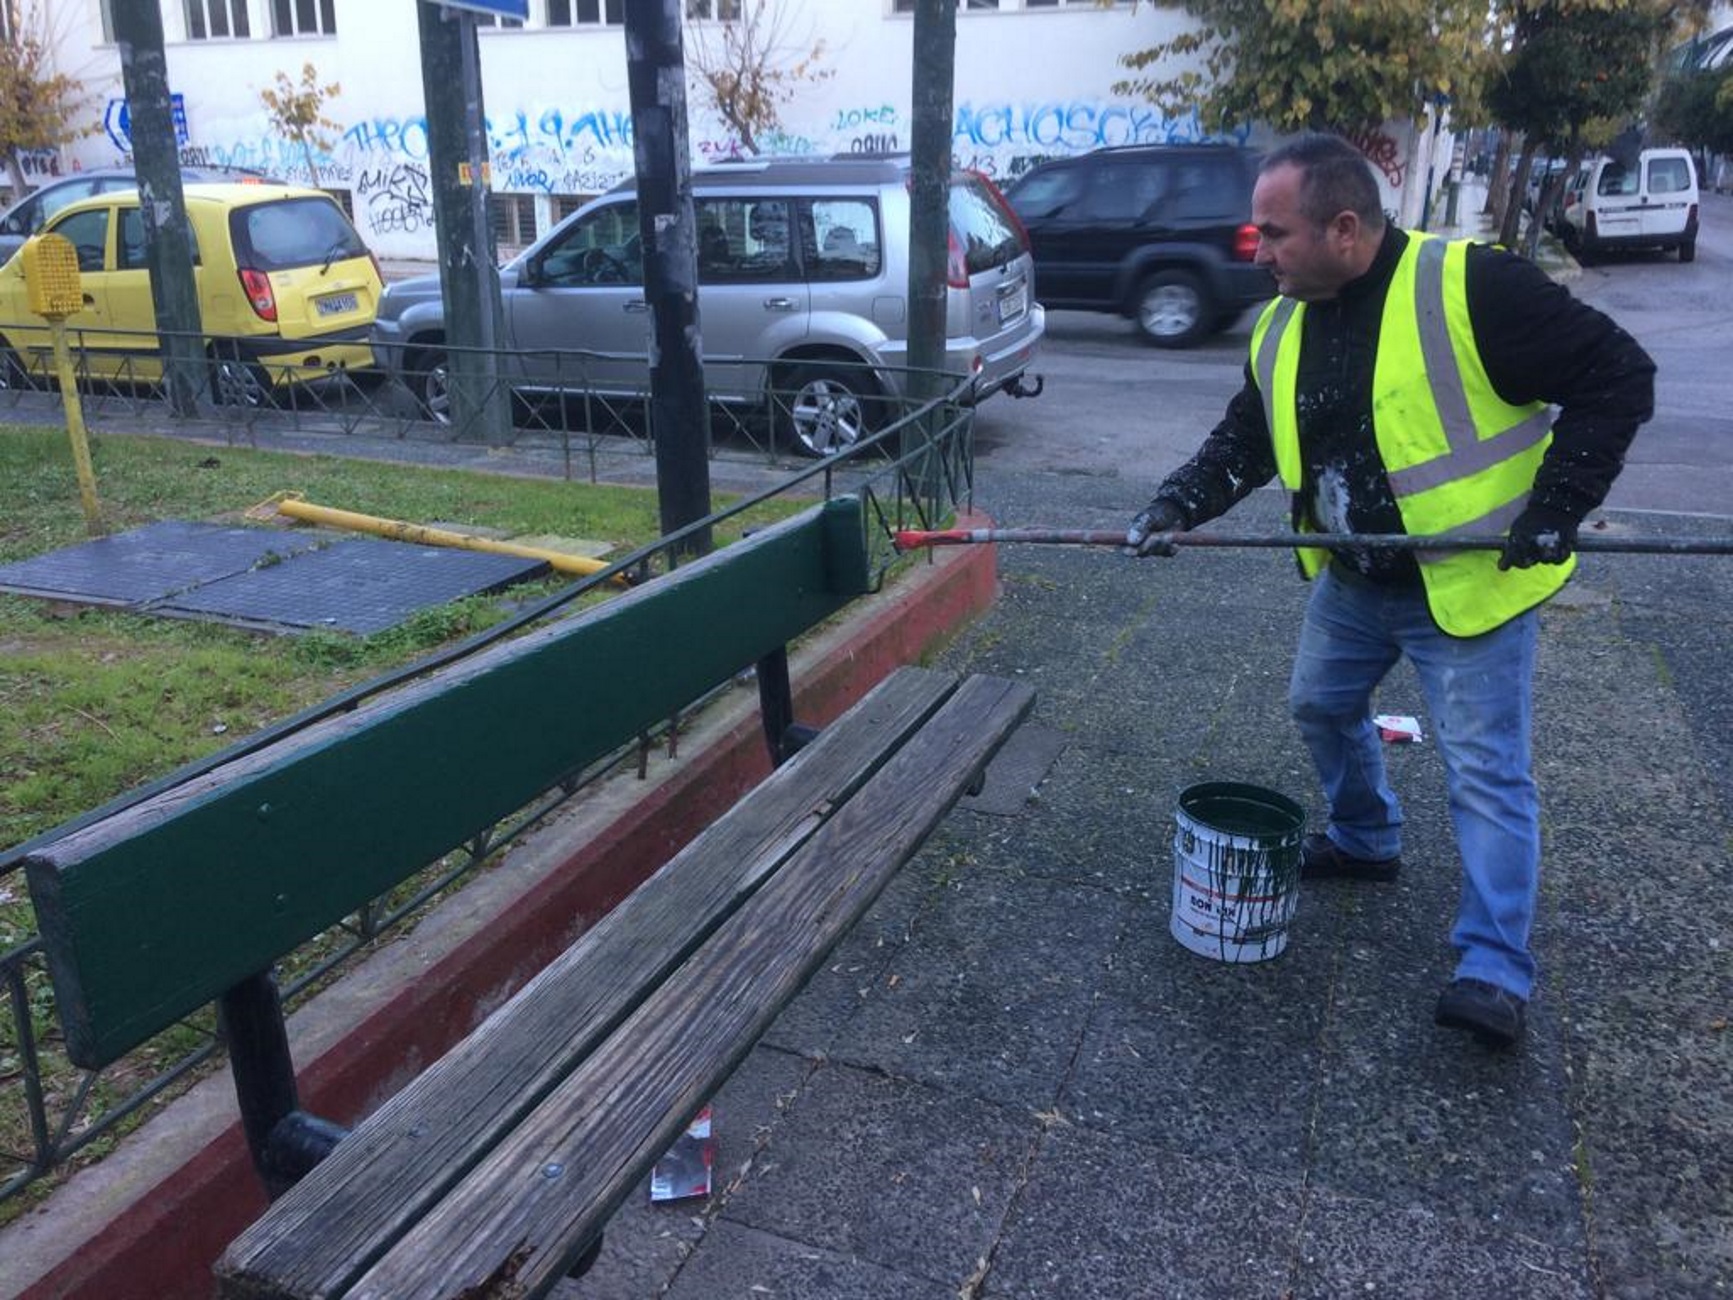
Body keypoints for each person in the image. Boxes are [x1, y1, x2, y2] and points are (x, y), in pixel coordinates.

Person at [1125, 133, 1655, 1049]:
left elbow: (1618, 376)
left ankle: (1493, 969)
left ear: (1342, 227)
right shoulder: (1281, 321)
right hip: (1355, 576)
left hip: (1468, 586)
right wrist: (1177, 503)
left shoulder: (1471, 288)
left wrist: (1558, 504)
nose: (1259, 250)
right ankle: (1367, 840)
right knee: (1318, 706)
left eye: (1274, 232)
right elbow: (1244, 441)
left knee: (1485, 776)